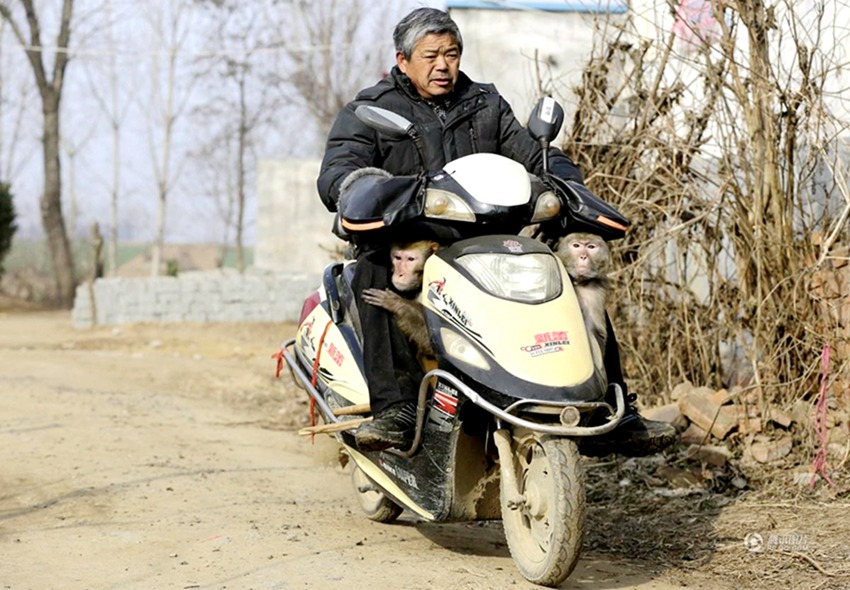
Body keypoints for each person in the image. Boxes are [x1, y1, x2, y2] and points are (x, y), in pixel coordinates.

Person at [316, 7, 677, 455]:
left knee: (573, 280)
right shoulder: (372, 109)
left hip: (481, 238)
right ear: (403, 59)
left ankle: (609, 407)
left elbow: (532, 153)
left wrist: (564, 181)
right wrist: (360, 187)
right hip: (411, 237)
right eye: (431, 55)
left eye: (452, 53)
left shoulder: (484, 103)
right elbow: (338, 169)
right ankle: (397, 408)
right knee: (375, 266)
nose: (443, 65)